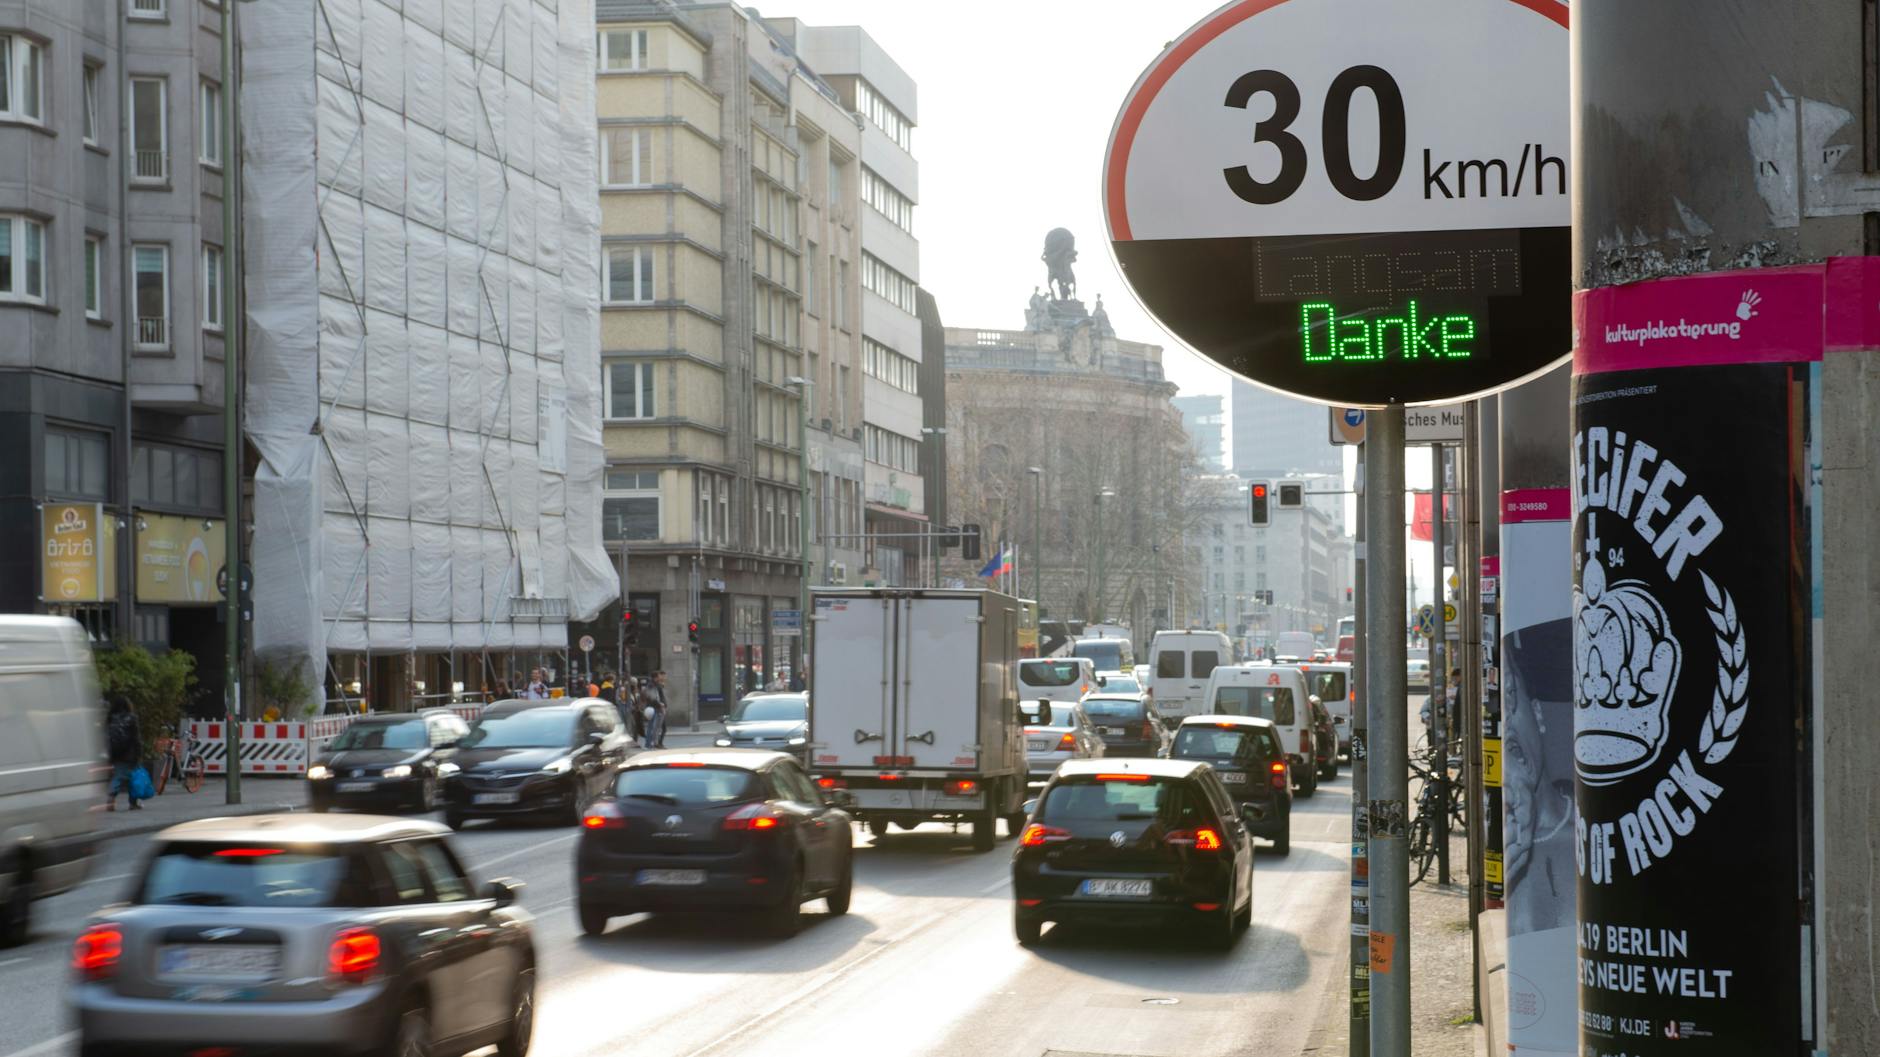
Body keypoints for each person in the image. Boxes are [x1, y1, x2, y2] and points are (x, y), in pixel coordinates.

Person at [104, 695, 144, 812]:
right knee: (134, 778)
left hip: (115, 752)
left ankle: (111, 798)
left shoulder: (110, 718)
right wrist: (138, 753)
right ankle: (133, 803)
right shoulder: (131, 718)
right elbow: (136, 738)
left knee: (118, 775)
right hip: (129, 753)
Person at [646, 670, 670, 748]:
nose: (661, 677)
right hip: (656, 708)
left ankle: (654, 743)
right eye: (659, 676)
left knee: (656, 727)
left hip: (658, 708)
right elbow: (654, 697)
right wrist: (661, 705)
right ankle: (652, 744)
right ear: (656, 677)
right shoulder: (652, 685)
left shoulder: (657, 684)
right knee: (655, 727)